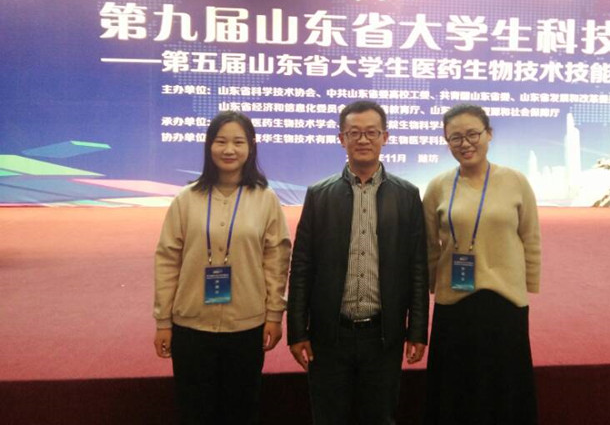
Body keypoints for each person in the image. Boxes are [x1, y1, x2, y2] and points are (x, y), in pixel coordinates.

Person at [287, 100, 429, 425]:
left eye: (371, 132)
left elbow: (417, 268)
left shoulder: (406, 195)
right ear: (342, 139)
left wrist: (418, 330)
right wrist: (297, 330)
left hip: (383, 335)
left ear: (385, 137)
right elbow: (302, 267)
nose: (363, 140)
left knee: (379, 417)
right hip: (329, 335)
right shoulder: (319, 195)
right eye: (354, 133)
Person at [153, 111, 291, 425]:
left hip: (246, 325)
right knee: (195, 411)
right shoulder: (186, 199)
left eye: (238, 142)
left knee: (241, 409)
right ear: (209, 146)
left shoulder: (266, 199)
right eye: (221, 142)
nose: (229, 150)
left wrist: (274, 315)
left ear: (251, 147)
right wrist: (163, 321)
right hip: (191, 325)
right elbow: (167, 260)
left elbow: (277, 260)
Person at [423, 104, 541, 425]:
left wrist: (528, 285)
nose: (465, 143)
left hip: (506, 300)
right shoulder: (438, 186)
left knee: (505, 386)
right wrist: (434, 284)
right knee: (456, 389)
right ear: (447, 142)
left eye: (473, 134)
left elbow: (530, 237)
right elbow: (429, 245)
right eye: (455, 137)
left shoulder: (515, 181)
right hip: (455, 301)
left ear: (489, 134)